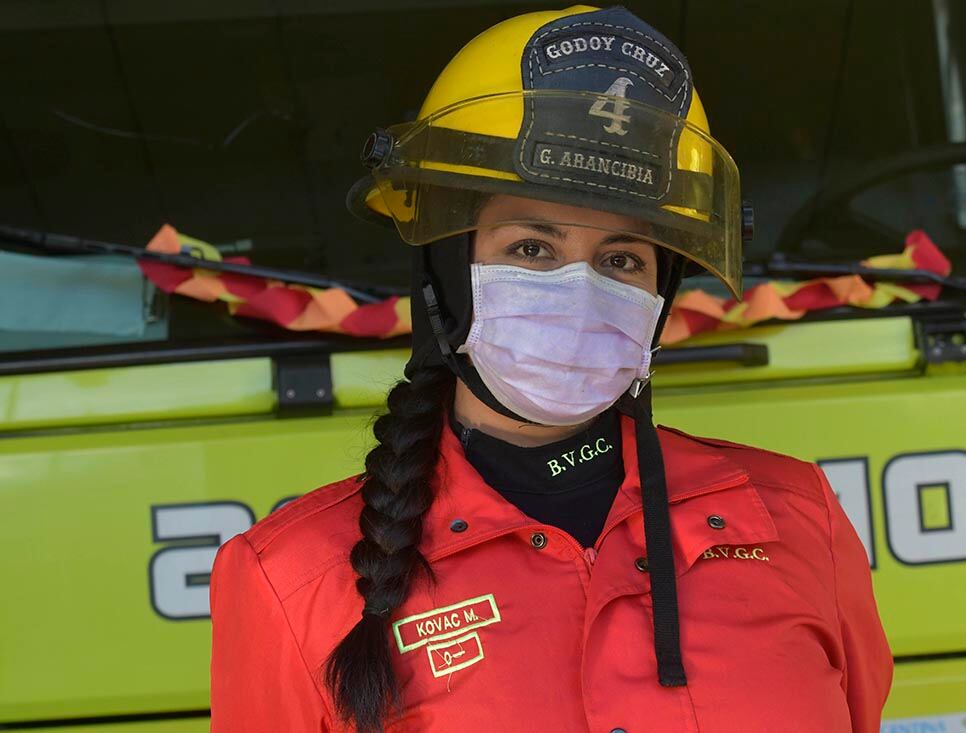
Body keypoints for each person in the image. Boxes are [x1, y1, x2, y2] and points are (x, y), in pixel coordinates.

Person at [209, 5, 893, 732]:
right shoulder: (291, 581)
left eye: (622, 258)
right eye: (531, 247)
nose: (580, 289)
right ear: (446, 266)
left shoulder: (799, 520)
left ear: (659, 297)